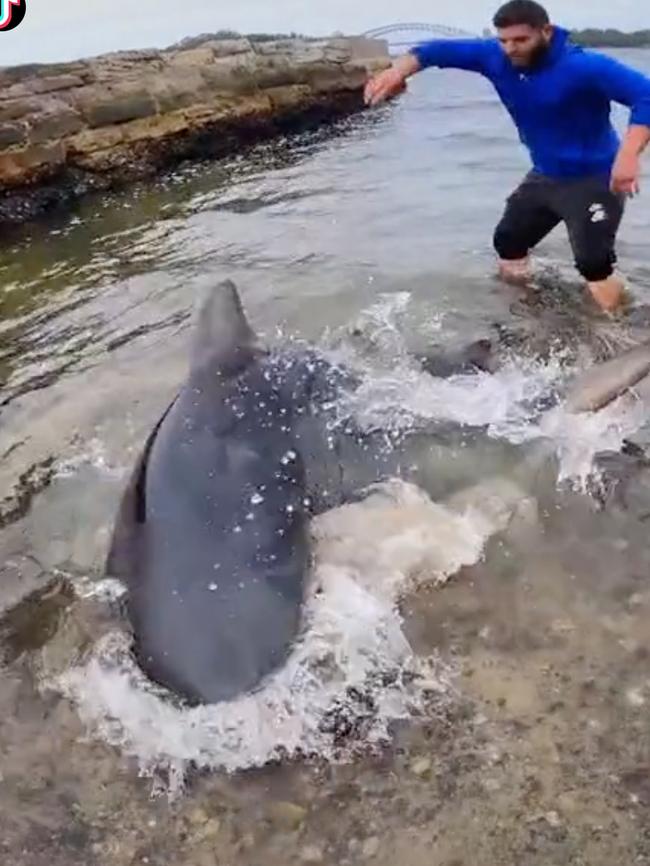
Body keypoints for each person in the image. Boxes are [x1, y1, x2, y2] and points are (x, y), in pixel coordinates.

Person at [363, 0, 650, 314]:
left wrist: (628, 154)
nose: (510, 49)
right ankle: (524, 312)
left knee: (593, 263)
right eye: (504, 40)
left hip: (596, 178)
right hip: (545, 174)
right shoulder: (494, 57)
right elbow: (432, 51)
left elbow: (645, 96)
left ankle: (620, 328)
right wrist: (396, 72)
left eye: (520, 40)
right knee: (509, 241)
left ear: (546, 31)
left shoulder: (584, 67)